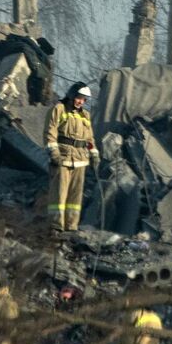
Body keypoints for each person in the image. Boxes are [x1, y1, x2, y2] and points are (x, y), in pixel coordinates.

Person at [43, 82, 99, 233]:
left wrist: (94, 154)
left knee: (75, 197)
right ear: (72, 95)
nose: (81, 101)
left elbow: (90, 139)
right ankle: (56, 225)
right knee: (59, 194)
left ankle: (71, 226)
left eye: (84, 99)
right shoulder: (58, 109)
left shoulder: (85, 115)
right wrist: (54, 153)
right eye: (79, 98)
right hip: (62, 158)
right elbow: (50, 133)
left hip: (80, 160)